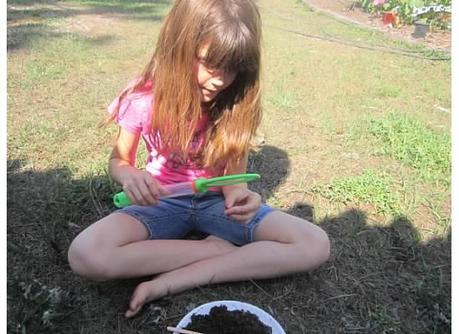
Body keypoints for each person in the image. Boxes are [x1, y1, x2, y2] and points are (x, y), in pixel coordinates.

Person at [68, 0, 330, 318]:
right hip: (160, 201)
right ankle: (210, 250)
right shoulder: (142, 98)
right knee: (85, 255)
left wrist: (240, 196)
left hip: (216, 205)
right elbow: (119, 159)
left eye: (233, 67)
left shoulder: (235, 100)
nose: (221, 80)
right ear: (178, 47)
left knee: (314, 244)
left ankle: (179, 278)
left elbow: (234, 179)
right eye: (209, 63)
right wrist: (130, 176)